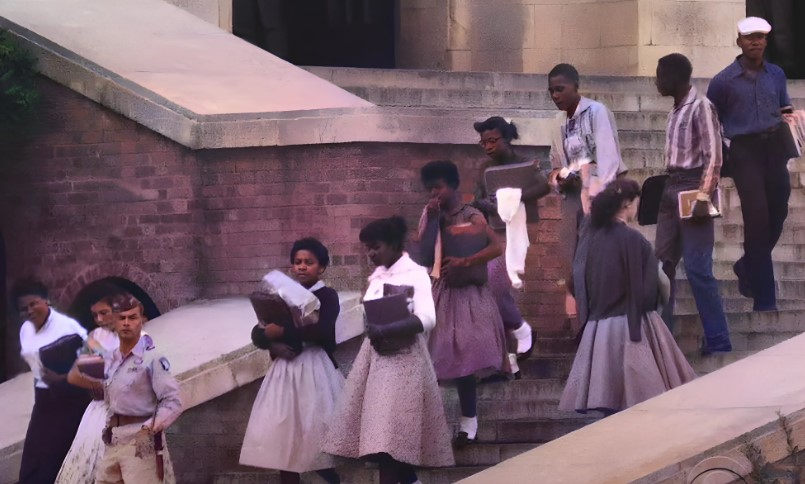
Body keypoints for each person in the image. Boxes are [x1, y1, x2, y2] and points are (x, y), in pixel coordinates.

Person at [323, 216, 454, 484]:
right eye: (368, 248)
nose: (370, 253)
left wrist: (388, 330)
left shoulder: (415, 274)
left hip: (405, 363)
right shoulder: (377, 278)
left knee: (389, 442)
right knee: (382, 441)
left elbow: (427, 318)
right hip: (376, 363)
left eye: (376, 247)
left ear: (394, 245)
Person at [559, 179, 696, 414]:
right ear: (627, 204)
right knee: (642, 400)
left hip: (598, 329)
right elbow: (655, 286)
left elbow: (575, 281)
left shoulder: (590, 240)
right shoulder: (635, 240)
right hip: (634, 325)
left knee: (607, 398)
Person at [707, 16, 798, 312]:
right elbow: (711, 121)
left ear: (766, 41)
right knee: (757, 222)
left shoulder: (777, 74)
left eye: (760, 37)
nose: (755, 42)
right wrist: (720, 160)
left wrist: (792, 118)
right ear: (739, 42)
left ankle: (747, 265)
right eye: (749, 38)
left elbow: (784, 107)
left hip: (775, 148)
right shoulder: (722, 81)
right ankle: (765, 299)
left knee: (780, 210)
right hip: (744, 153)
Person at [418, 160, 509, 446]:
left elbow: (496, 247)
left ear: (454, 186)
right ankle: (433, 429)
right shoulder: (430, 214)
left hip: (469, 294)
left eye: (439, 187)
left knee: (466, 358)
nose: (435, 194)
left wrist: (467, 260)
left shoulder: (472, 215)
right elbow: (423, 253)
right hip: (440, 292)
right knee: (439, 358)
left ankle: (469, 425)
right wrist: (433, 219)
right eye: (430, 189)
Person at [240, 238, 344, 484]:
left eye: (309, 262)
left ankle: (332, 479)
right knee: (284, 440)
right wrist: (270, 339)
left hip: (314, 370)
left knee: (316, 434)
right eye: (297, 262)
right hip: (285, 373)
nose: (302, 267)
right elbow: (258, 332)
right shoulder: (281, 295)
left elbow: (323, 331)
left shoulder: (327, 296)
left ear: (321, 267)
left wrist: (283, 333)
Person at [654, 53, 732, 354]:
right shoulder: (674, 111)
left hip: (692, 188)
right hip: (670, 187)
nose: (657, 81)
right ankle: (662, 339)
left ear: (675, 77)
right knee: (662, 267)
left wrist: (703, 196)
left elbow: (715, 155)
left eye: (660, 75)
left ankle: (718, 340)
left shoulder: (702, 106)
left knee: (699, 268)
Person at [473, 116, 548, 364]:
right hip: (494, 232)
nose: (487, 147)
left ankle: (521, 330)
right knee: (494, 290)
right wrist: (484, 203)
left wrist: (515, 197)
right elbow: (477, 198)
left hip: (520, 232)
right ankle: (509, 354)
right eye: (483, 143)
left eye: (492, 140)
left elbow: (544, 186)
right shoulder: (484, 169)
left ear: (507, 139)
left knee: (499, 284)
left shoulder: (524, 164)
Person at [95, 293, 182, 484]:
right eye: (121, 318)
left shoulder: (153, 358)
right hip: (112, 439)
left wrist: (149, 427)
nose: (126, 323)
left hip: (140, 441)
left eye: (132, 318)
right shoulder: (110, 359)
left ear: (142, 321)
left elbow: (173, 401)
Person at [15, 278, 90, 484]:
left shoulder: (68, 328)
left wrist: (62, 379)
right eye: (24, 308)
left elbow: (89, 360)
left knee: (58, 461)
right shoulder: (26, 329)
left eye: (33, 304)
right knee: (32, 462)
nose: (30, 311)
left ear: (46, 300)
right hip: (44, 400)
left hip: (70, 399)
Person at [56, 286, 124, 484]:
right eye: (96, 315)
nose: (100, 320)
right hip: (101, 410)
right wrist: (96, 383)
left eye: (104, 313)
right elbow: (74, 375)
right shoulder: (96, 338)